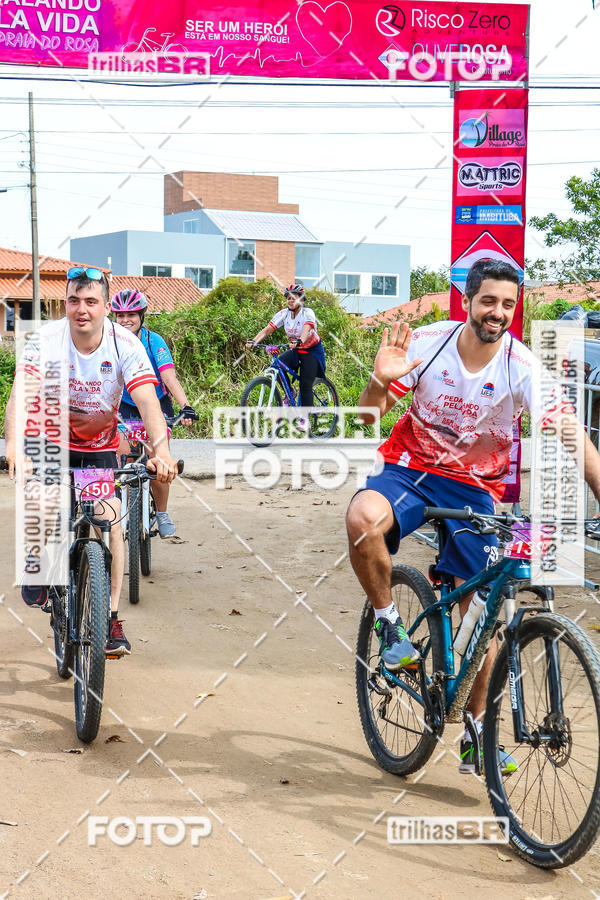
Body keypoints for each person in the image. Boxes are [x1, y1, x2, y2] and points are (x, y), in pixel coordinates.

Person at [346, 258, 600, 775]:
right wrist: (378, 381)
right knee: (363, 520)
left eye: (508, 304)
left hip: (476, 487)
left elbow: (575, 436)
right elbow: (365, 416)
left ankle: (475, 735)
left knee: (481, 615)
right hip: (411, 467)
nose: (498, 313)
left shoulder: (521, 365)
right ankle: (392, 630)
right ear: (468, 300)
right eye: (489, 301)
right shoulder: (428, 343)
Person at [4, 266, 179, 656]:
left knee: (111, 521)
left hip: (100, 444)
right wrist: (13, 444)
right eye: (73, 301)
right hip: (49, 437)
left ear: (104, 307)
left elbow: (149, 402)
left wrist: (161, 451)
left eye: (90, 302)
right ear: (65, 304)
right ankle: (42, 563)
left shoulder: (125, 345)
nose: (81, 309)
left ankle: (111, 618)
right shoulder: (46, 338)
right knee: (42, 502)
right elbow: (21, 391)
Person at [111, 288, 196, 538]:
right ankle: (123, 507)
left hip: (157, 405)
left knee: (159, 460)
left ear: (142, 316)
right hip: (125, 405)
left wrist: (186, 405)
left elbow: (168, 376)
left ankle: (161, 512)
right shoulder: (109, 342)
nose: (126, 320)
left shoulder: (153, 341)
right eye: (120, 315)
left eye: (132, 315)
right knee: (124, 457)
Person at [246, 284, 326, 418]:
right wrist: (254, 341)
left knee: (305, 384)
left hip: (312, 351)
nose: (290, 300)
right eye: (288, 298)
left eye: (294, 298)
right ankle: (291, 393)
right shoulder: (284, 314)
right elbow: (267, 330)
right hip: (296, 350)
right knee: (277, 365)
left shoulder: (308, 313)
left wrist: (300, 340)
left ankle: (305, 421)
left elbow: (307, 328)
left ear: (301, 300)